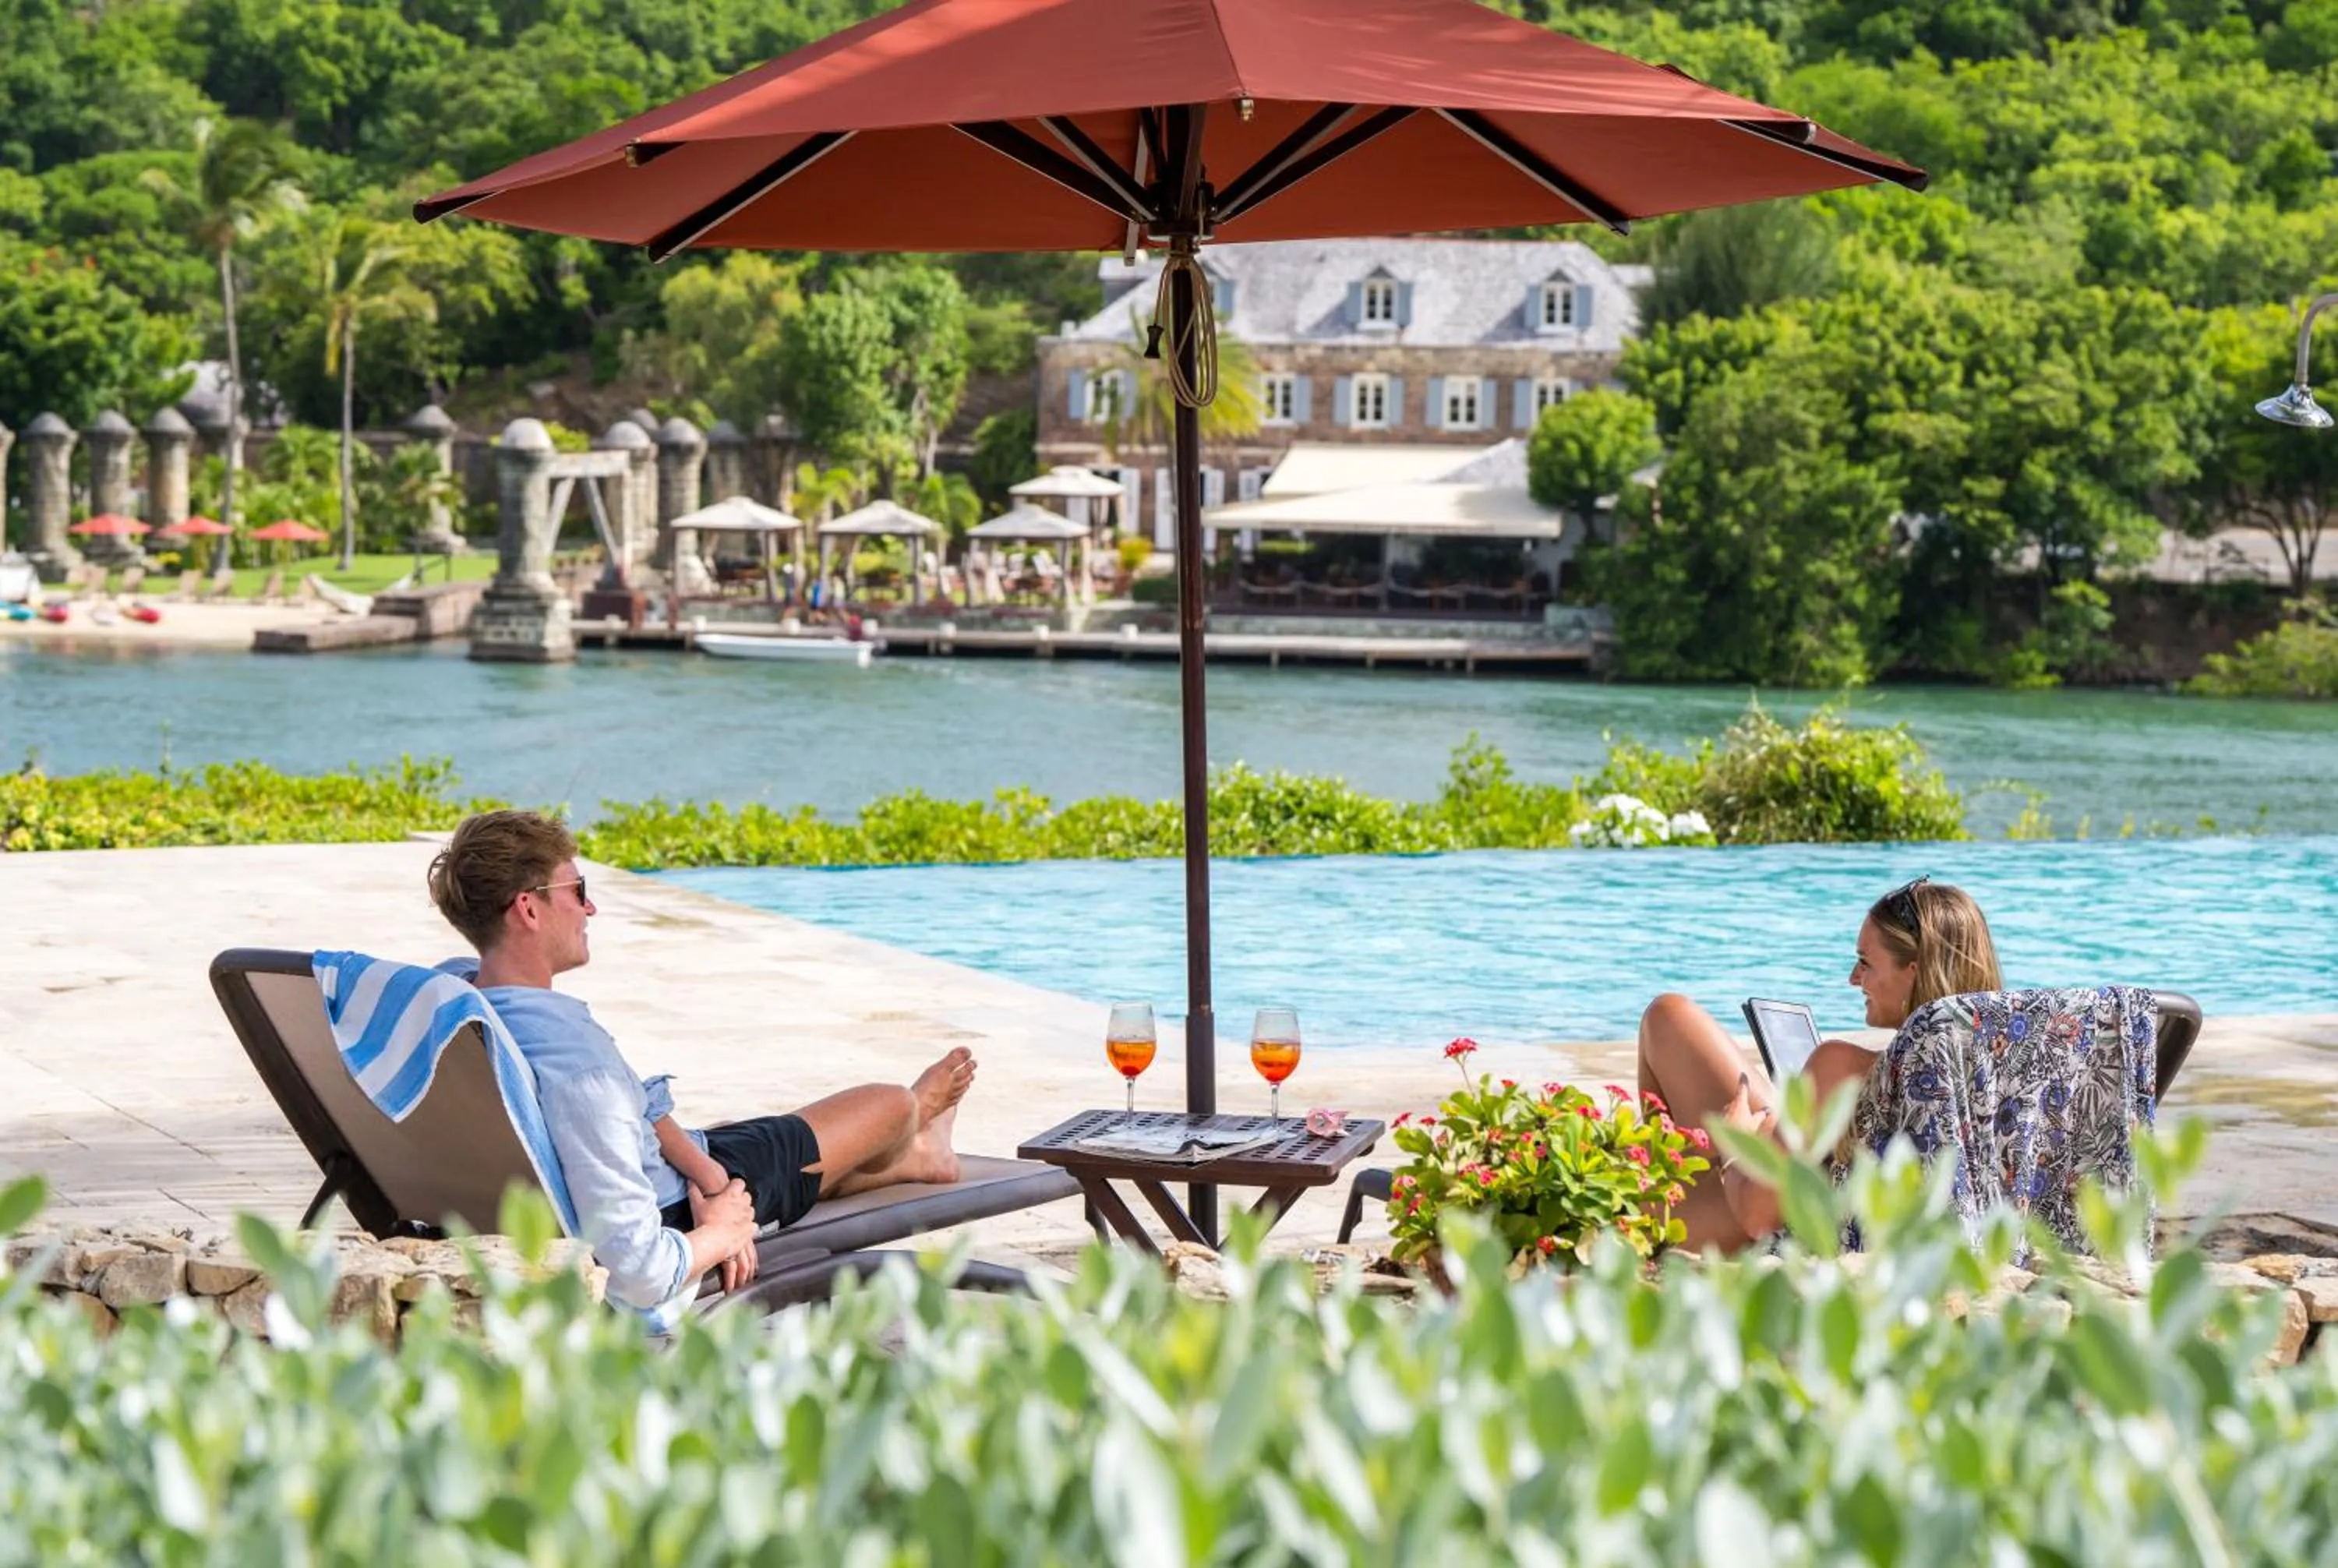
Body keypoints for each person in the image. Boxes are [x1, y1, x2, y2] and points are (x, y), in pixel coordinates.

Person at [426, 809, 973, 1312]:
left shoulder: (455, 996)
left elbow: (626, 1111)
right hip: (679, 1211)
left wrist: (705, 1170)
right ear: (528, 908)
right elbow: (638, 1268)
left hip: (685, 1171)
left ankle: (910, 1159)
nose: (590, 908)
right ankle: (917, 1133)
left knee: (782, 1143)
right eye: (578, 890)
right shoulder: (581, 1074)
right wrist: (721, 1232)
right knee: (889, 1102)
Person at [1635, 877, 2002, 1252]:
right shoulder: (2002, 1066)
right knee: (1671, 1021)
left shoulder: (1841, 1066)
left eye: (1865, 963)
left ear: (1914, 970)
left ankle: (1644, 1174)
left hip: (1800, 1232)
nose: (1853, 978)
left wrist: (1737, 1146)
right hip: (1921, 1231)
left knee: (1666, 1021)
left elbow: (1757, 1218)